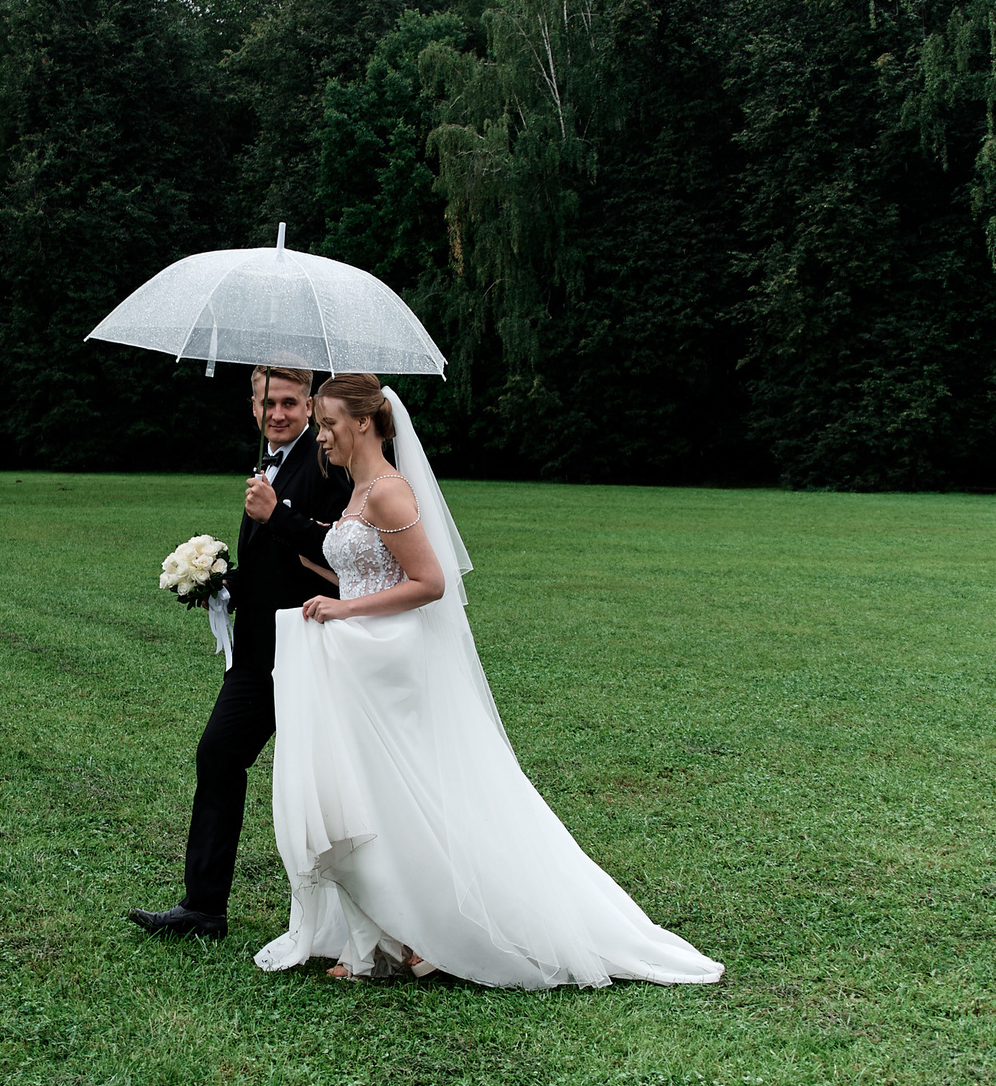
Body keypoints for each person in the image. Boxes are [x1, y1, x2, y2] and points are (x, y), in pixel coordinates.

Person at [255, 373, 722, 988]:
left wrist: (342, 608)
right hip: (359, 660)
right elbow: (362, 567)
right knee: (375, 798)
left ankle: (428, 933)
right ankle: (389, 939)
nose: (323, 436)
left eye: (331, 423)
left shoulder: (388, 492)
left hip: (386, 663)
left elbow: (429, 583)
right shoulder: (357, 489)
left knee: (403, 797)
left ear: (365, 422)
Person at [129, 366, 351, 941]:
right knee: (218, 755)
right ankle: (203, 908)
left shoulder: (331, 460)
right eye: (267, 403)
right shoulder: (265, 464)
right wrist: (221, 581)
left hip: (314, 650)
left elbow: (343, 553)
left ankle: (357, 914)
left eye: (289, 402)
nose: (277, 414)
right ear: (253, 409)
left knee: (329, 785)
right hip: (257, 655)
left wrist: (275, 513)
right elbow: (272, 560)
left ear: (309, 405)